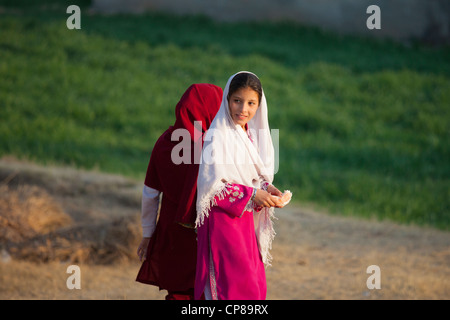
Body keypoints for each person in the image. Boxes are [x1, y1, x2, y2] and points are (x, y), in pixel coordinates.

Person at [194, 71, 287, 300]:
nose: (243, 109)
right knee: (233, 289)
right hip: (223, 225)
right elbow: (212, 188)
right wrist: (253, 195)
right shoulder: (218, 136)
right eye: (237, 100)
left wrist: (266, 188)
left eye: (251, 103)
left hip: (244, 223)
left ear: (259, 106)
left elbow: (249, 174)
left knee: (254, 286)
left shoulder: (247, 135)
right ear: (227, 100)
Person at [135, 83, 223, 300]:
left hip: (171, 229)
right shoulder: (217, 148)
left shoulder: (165, 142)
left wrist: (148, 233)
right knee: (206, 291)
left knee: (178, 290)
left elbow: (150, 193)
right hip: (207, 232)